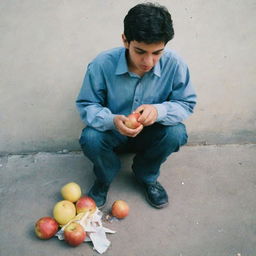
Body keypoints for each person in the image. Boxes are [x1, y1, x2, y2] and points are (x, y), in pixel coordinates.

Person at [76, 2, 197, 209]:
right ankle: (104, 177)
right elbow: (87, 104)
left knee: (177, 133)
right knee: (90, 138)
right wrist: (112, 120)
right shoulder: (102, 64)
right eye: (140, 51)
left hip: (150, 133)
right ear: (125, 40)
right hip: (113, 132)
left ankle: (146, 175)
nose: (148, 61)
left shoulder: (175, 64)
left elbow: (186, 103)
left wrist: (159, 110)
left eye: (157, 52)